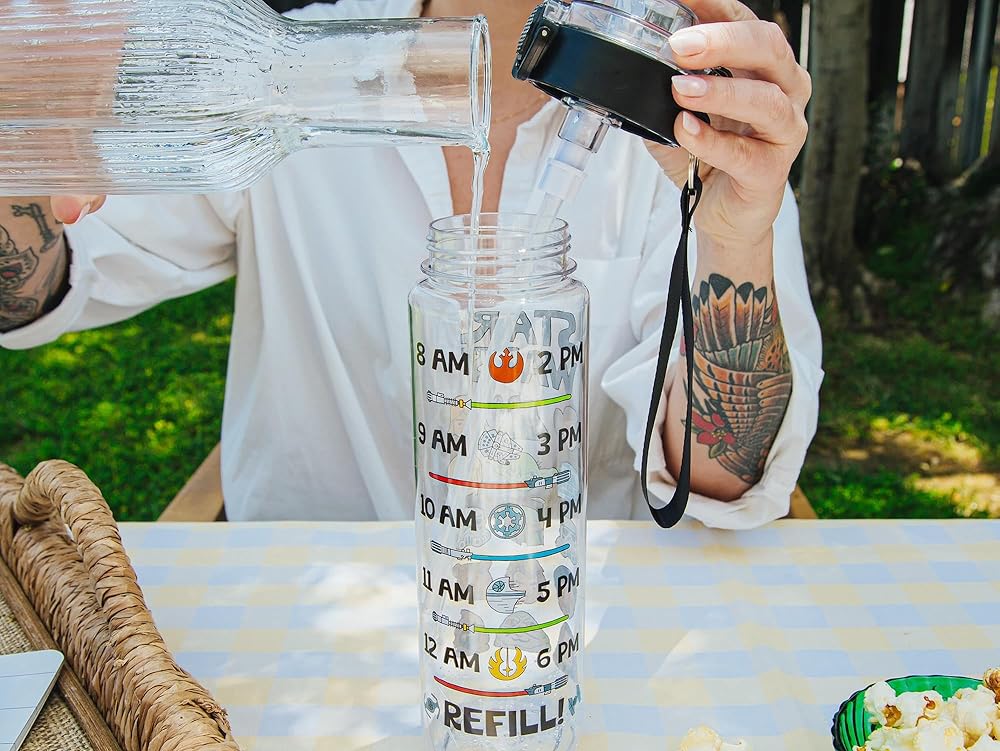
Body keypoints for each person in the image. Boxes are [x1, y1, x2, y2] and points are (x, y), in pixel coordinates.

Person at [0, 0, 821, 527]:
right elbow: (37, 283)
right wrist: (18, 134)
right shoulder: (281, 71)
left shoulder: (697, 122)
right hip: (303, 641)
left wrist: (735, 233)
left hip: (567, 629)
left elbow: (723, 474)